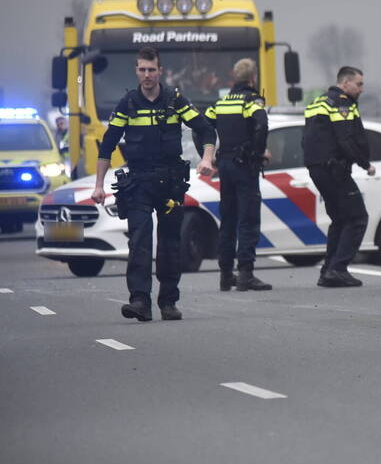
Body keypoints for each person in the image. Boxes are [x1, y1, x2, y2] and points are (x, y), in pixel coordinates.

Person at [91, 47, 216, 322]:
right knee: (140, 240)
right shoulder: (128, 103)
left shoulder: (174, 99)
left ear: (160, 71)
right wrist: (99, 185)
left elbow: (205, 128)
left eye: (151, 70)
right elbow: (107, 146)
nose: (147, 75)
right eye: (142, 69)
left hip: (170, 183)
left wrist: (207, 158)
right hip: (138, 182)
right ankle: (140, 301)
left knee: (171, 242)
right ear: (136, 71)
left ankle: (169, 302)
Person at [302, 66, 374, 287]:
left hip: (318, 168)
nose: (362, 89)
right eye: (359, 84)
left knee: (340, 219)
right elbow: (346, 139)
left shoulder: (317, 102)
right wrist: (365, 163)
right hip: (334, 169)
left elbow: (308, 139)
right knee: (358, 218)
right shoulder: (342, 103)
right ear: (345, 83)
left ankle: (328, 271)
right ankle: (338, 268)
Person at [205, 58, 272, 292]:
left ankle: (225, 275)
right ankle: (246, 275)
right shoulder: (252, 101)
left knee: (228, 220)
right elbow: (261, 125)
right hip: (245, 167)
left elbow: (202, 127)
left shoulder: (221, 102)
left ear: (234, 77)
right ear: (253, 78)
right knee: (248, 219)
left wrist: (207, 156)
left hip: (224, 165)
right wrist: (257, 152)